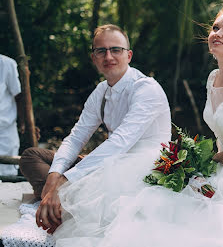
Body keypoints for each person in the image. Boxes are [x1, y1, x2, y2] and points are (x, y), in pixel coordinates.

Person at [49, 8, 223, 247]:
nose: (218, 33)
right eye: (216, 28)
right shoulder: (213, 78)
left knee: (210, 226)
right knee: (165, 207)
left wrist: (201, 161)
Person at [18, 24, 171, 234]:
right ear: (94, 58)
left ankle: (63, 202)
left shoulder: (146, 89)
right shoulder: (101, 91)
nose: (108, 56)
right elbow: (76, 137)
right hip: (109, 163)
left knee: (80, 189)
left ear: (129, 55)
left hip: (141, 169)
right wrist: (55, 174)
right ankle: (59, 199)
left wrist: (66, 179)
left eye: (115, 49)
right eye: (101, 51)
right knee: (31, 157)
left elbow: (120, 142)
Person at [0, 54, 22, 176]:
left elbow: (19, 96)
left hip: (4, 133)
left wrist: (24, 123)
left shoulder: (6, 64)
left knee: (6, 178)